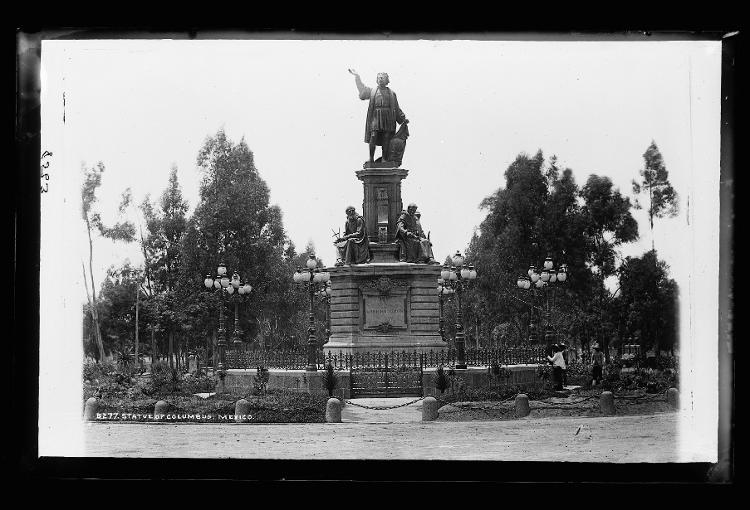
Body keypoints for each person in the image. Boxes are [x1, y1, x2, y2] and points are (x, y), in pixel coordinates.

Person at [349, 69, 408, 165]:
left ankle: (384, 159)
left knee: (386, 138)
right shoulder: (373, 91)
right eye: (379, 78)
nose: (380, 79)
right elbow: (363, 91)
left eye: (383, 78)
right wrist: (357, 77)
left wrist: (402, 118)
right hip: (376, 117)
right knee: (373, 136)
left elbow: (396, 108)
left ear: (387, 80)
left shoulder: (392, 94)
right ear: (377, 80)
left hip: (388, 117)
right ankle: (371, 159)